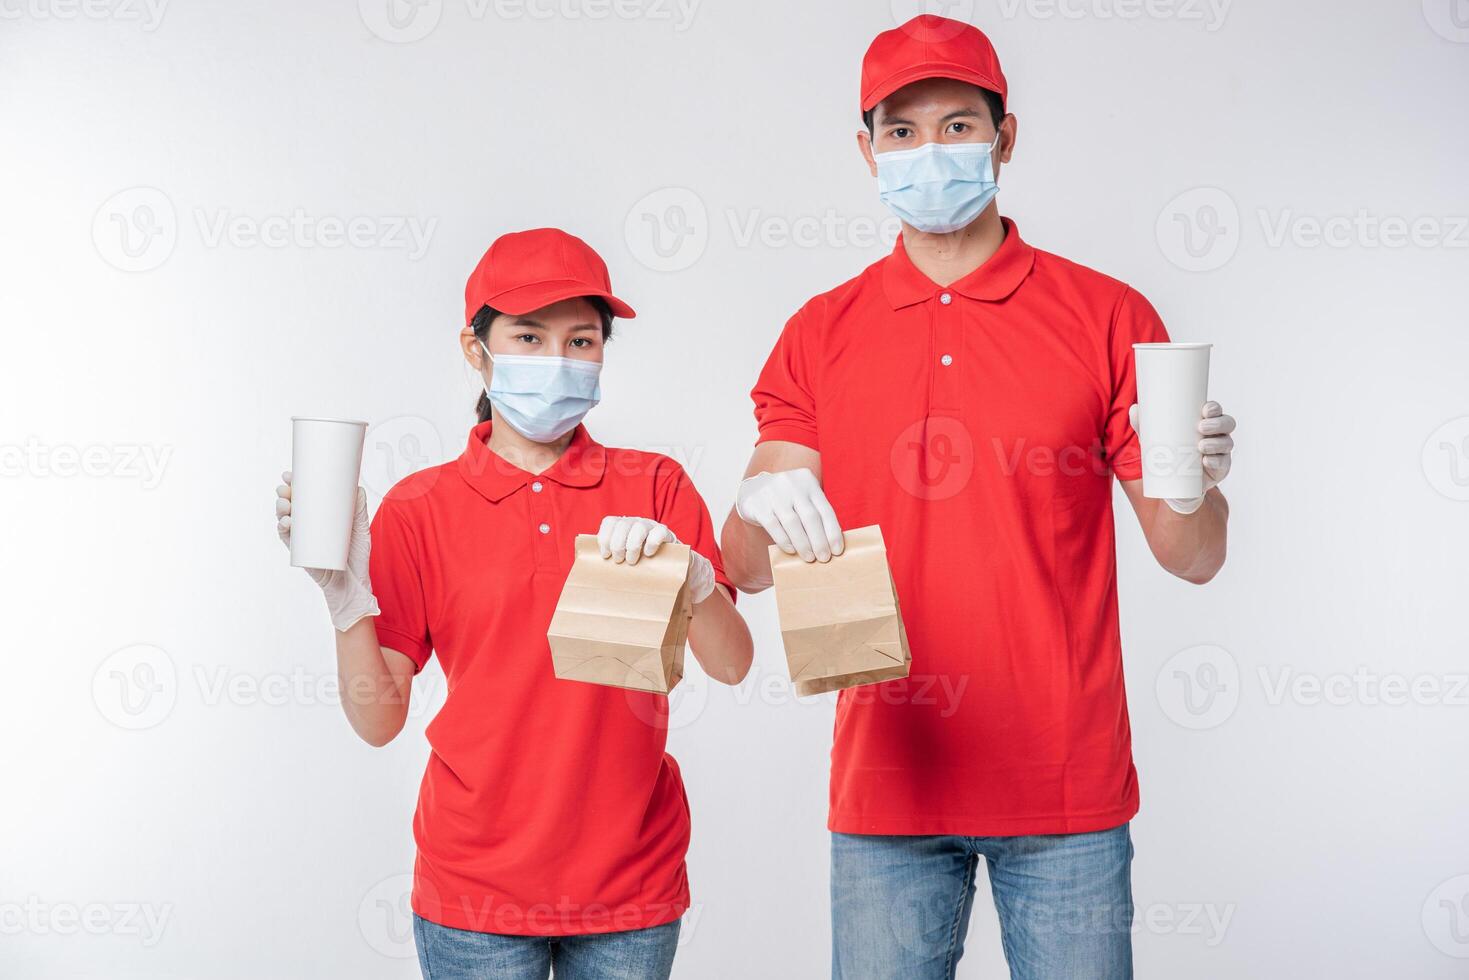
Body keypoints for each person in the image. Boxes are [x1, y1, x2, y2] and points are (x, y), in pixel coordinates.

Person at [720, 16, 1237, 980]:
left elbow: (1191, 554)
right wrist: (752, 507)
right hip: (886, 793)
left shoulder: (1107, 315)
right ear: (865, 148)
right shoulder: (820, 333)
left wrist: (1194, 476)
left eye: (958, 126)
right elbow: (743, 573)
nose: (930, 152)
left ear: (1005, 137)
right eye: (903, 132)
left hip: (1065, 791)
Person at [276, 227, 753, 980]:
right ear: (477, 348)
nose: (557, 362)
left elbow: (731, 664)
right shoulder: (419, 507)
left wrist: (692, 575)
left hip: (628, 885)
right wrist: (344, 603)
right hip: (476, 892)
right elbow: (378, 720)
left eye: (581, 340)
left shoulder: (654, 487)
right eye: (528, 338)